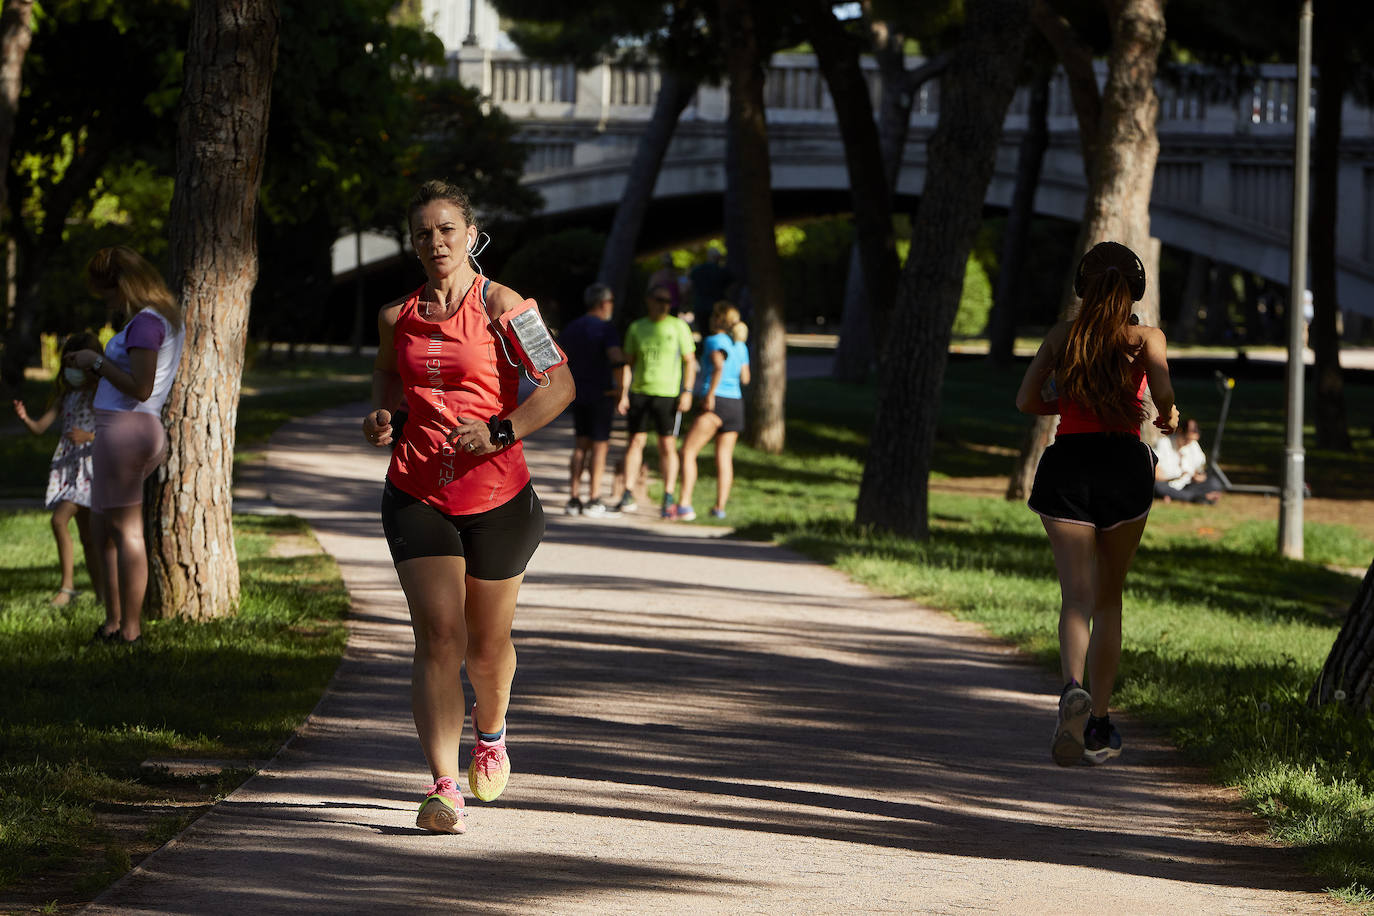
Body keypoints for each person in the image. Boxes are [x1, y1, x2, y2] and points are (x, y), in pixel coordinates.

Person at [361, 179, 574, 835]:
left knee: (486, 648)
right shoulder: (397, 316)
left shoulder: (506, 305)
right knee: (439, 638)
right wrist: (383, 416)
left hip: (497, 494)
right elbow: (389, 377)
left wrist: (500, 430)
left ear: (471, 235)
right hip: (418, 489)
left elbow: (559, 384)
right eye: (423, 232)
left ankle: (492, 732)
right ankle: (442, 787)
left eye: (446, 229)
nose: (435, 242)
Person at [1015, 240, 1177, 767]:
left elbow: (1025, 401)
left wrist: (1063, 402)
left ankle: (1071, 688)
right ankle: (1101, 723)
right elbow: (1165, 396)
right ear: (1134, 290)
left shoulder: (1064, 336)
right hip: (1123, 467)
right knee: (1110, 600)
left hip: (1069, 465)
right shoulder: (1146, 338)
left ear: (1083, 289)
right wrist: (1168, 416)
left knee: (1075, 598)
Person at [65, 247, 186, 648]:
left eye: (108, 293)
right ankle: (113, 623)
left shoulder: (146, 324)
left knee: (126, 531)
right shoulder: (153, 320)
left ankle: (129, 630)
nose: (108, 302)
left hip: (126, 431)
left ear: (122, 284)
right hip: (122, 430)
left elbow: (140, 386)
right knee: (103, 530)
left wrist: (96, 362)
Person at [12, 332, 104, 607]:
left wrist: (89, 437)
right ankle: (93, 595)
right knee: (86, 537)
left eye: (78, 366)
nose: (73, 372)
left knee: (61, 522)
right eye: (69, 366)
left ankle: (71, 590)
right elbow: (40, 428)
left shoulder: (102, 395)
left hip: (91, 469)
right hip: (69, 469)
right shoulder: (66, 397)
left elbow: (115, 432)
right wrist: (26, 418)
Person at [614, 284, 696, 518]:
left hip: (668, 394)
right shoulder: (637, 327)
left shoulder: (678, 327)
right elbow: (628, 363)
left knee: (667, 446)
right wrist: (623, 393)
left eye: (668, 302)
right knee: (635, 443)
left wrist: (687, 391)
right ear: (649, 300)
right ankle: (628, 492)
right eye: (659, 300)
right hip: (641, 392)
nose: (663, 305)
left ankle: (668, 496)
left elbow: (689, 360)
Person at [672, 302, 750, 521]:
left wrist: (710, 394)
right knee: (724, 457)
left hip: (716, 403)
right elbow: (746, 378)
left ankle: (685, 504)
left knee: (687, 452)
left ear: (717, 319)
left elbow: (718, 365)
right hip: (736, 404)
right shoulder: (741, 345)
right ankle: (719, 508)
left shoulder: (714, 340)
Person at [560, 282, 626, 517]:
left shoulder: (572, 328)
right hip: (601, 394)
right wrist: (621, 388)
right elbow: (616, 358)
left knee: (580, 446)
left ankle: (574, 497)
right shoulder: (606, 329)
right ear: (604, 303)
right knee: (600, 446)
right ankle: (594, 498)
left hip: (578, 393)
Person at [1152, 418, 1222, 504]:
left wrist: (1198, 477)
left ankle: (1178, 496)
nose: (1189, 443)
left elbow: (1199, 468)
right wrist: (1176, 476)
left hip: (1186, 484)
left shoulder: (1193, 444)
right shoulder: (1164, 443)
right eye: (1187, 439)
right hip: (1167, 484)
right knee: (1157, 486)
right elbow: (1156, 474)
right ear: (1180, 432)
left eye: (1192, 440)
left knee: (1215, 483)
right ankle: (1197, 497)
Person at [688, 247, 732, 333]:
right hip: (717, 308)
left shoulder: (697, 270)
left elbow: (690, 287)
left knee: (705, 334)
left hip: (700, 307)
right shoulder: (721, 271)